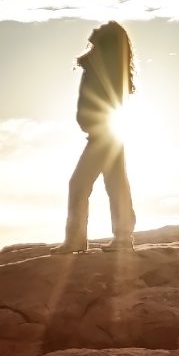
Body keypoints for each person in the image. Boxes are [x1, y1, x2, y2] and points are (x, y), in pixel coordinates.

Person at [63, 21, 136, 253]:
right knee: (116, 185)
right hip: (107, 135)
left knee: (79, 184)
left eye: (102, 30)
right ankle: (123, 238)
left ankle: (77, 240)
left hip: (103, 135)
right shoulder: (103, 67)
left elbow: (107, 103)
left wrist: (94, 126)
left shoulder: (107, 70)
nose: (96, 29)